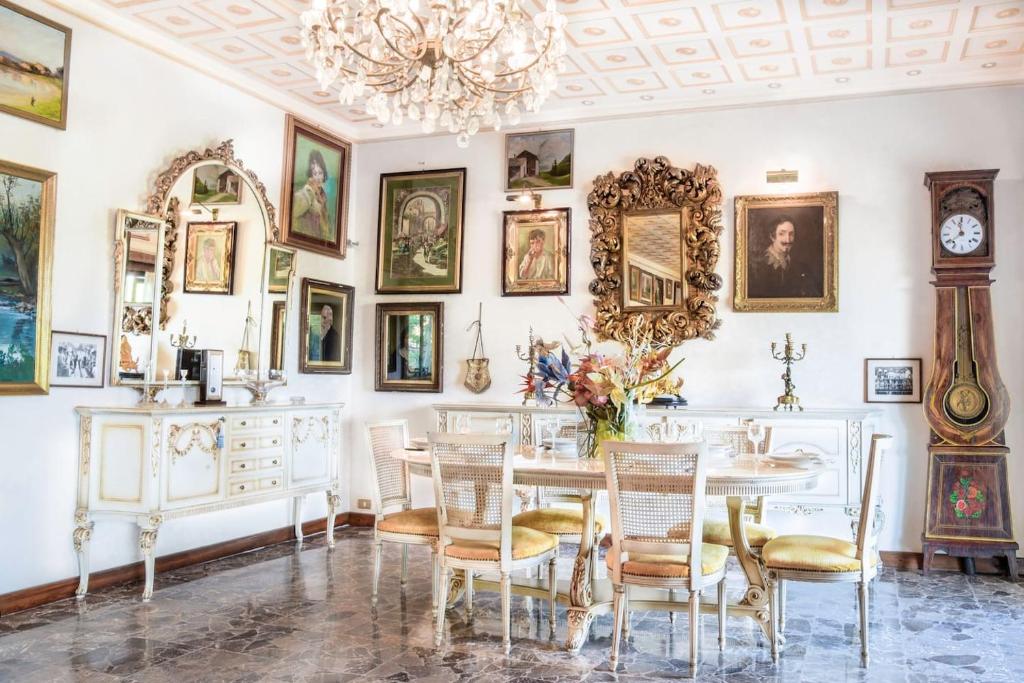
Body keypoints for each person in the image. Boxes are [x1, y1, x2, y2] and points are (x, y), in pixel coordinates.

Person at [748, 215, 816, 298]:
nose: (788, 240)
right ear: (772, 237)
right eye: (781, 234)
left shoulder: (802, 267)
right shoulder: (756, 267)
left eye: (791, 234)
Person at [292, 150, 332, 241]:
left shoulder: (323, 196)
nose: (318, 177)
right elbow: (294, 213)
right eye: (315, 173)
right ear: (311, 175)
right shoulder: (307, 192)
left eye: (320, 173)